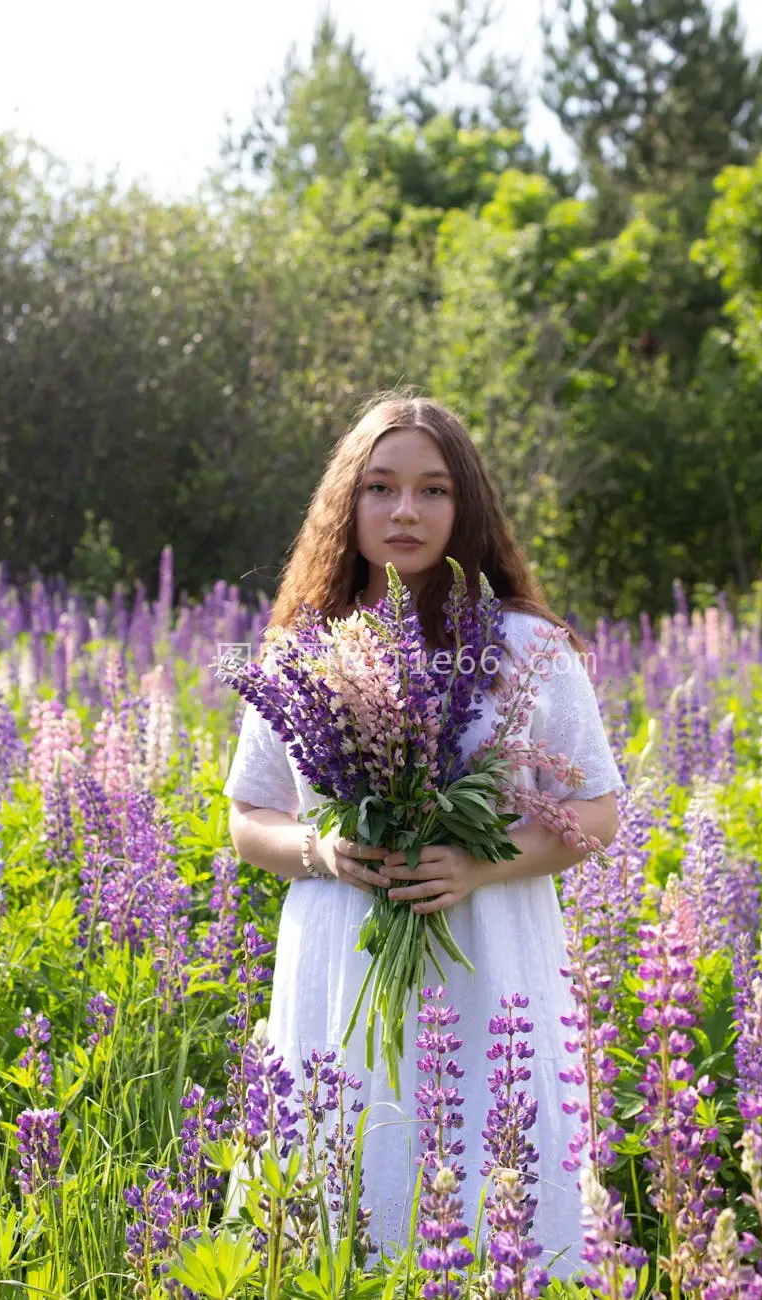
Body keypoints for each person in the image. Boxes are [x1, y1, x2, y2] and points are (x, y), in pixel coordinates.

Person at [224, 392, 623, 1276]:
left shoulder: (526, 648)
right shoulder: (301, 650)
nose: (405, 511)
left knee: (495, 1203)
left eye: (433, 490)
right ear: (347, 503)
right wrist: (324, 851)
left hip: (488, 959)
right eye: (380, 487)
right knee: (338, 1206)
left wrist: (475, 867)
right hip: (341, 954)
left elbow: (597, 812)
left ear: (464, 505)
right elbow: (248, 819)